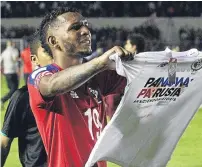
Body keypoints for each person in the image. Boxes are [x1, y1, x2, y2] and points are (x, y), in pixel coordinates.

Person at [27, 7, 130, 167]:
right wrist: (99, 63)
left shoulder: (97, 77)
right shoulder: (41, 76)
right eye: (75, 27)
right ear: (54, 41)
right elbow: (53, 85)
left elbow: (141, 78)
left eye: (86, 25)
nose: (85, 31)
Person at [1, 31, 52, 167]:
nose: (54, 57)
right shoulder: (23, 96)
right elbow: (4, 142)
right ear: (34, 59)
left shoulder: (75, 92)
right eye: (48, 52)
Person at [0, 41, 19, 109]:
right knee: (14, 89)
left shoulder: (4, 52)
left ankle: (11, 104)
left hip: (6, 73)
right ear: (12, 44)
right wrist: (18, 60)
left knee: (11, 89)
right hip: (12, 72)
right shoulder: (14, 50)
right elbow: (15, 59)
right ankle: (3, 100)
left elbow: (1, 60)